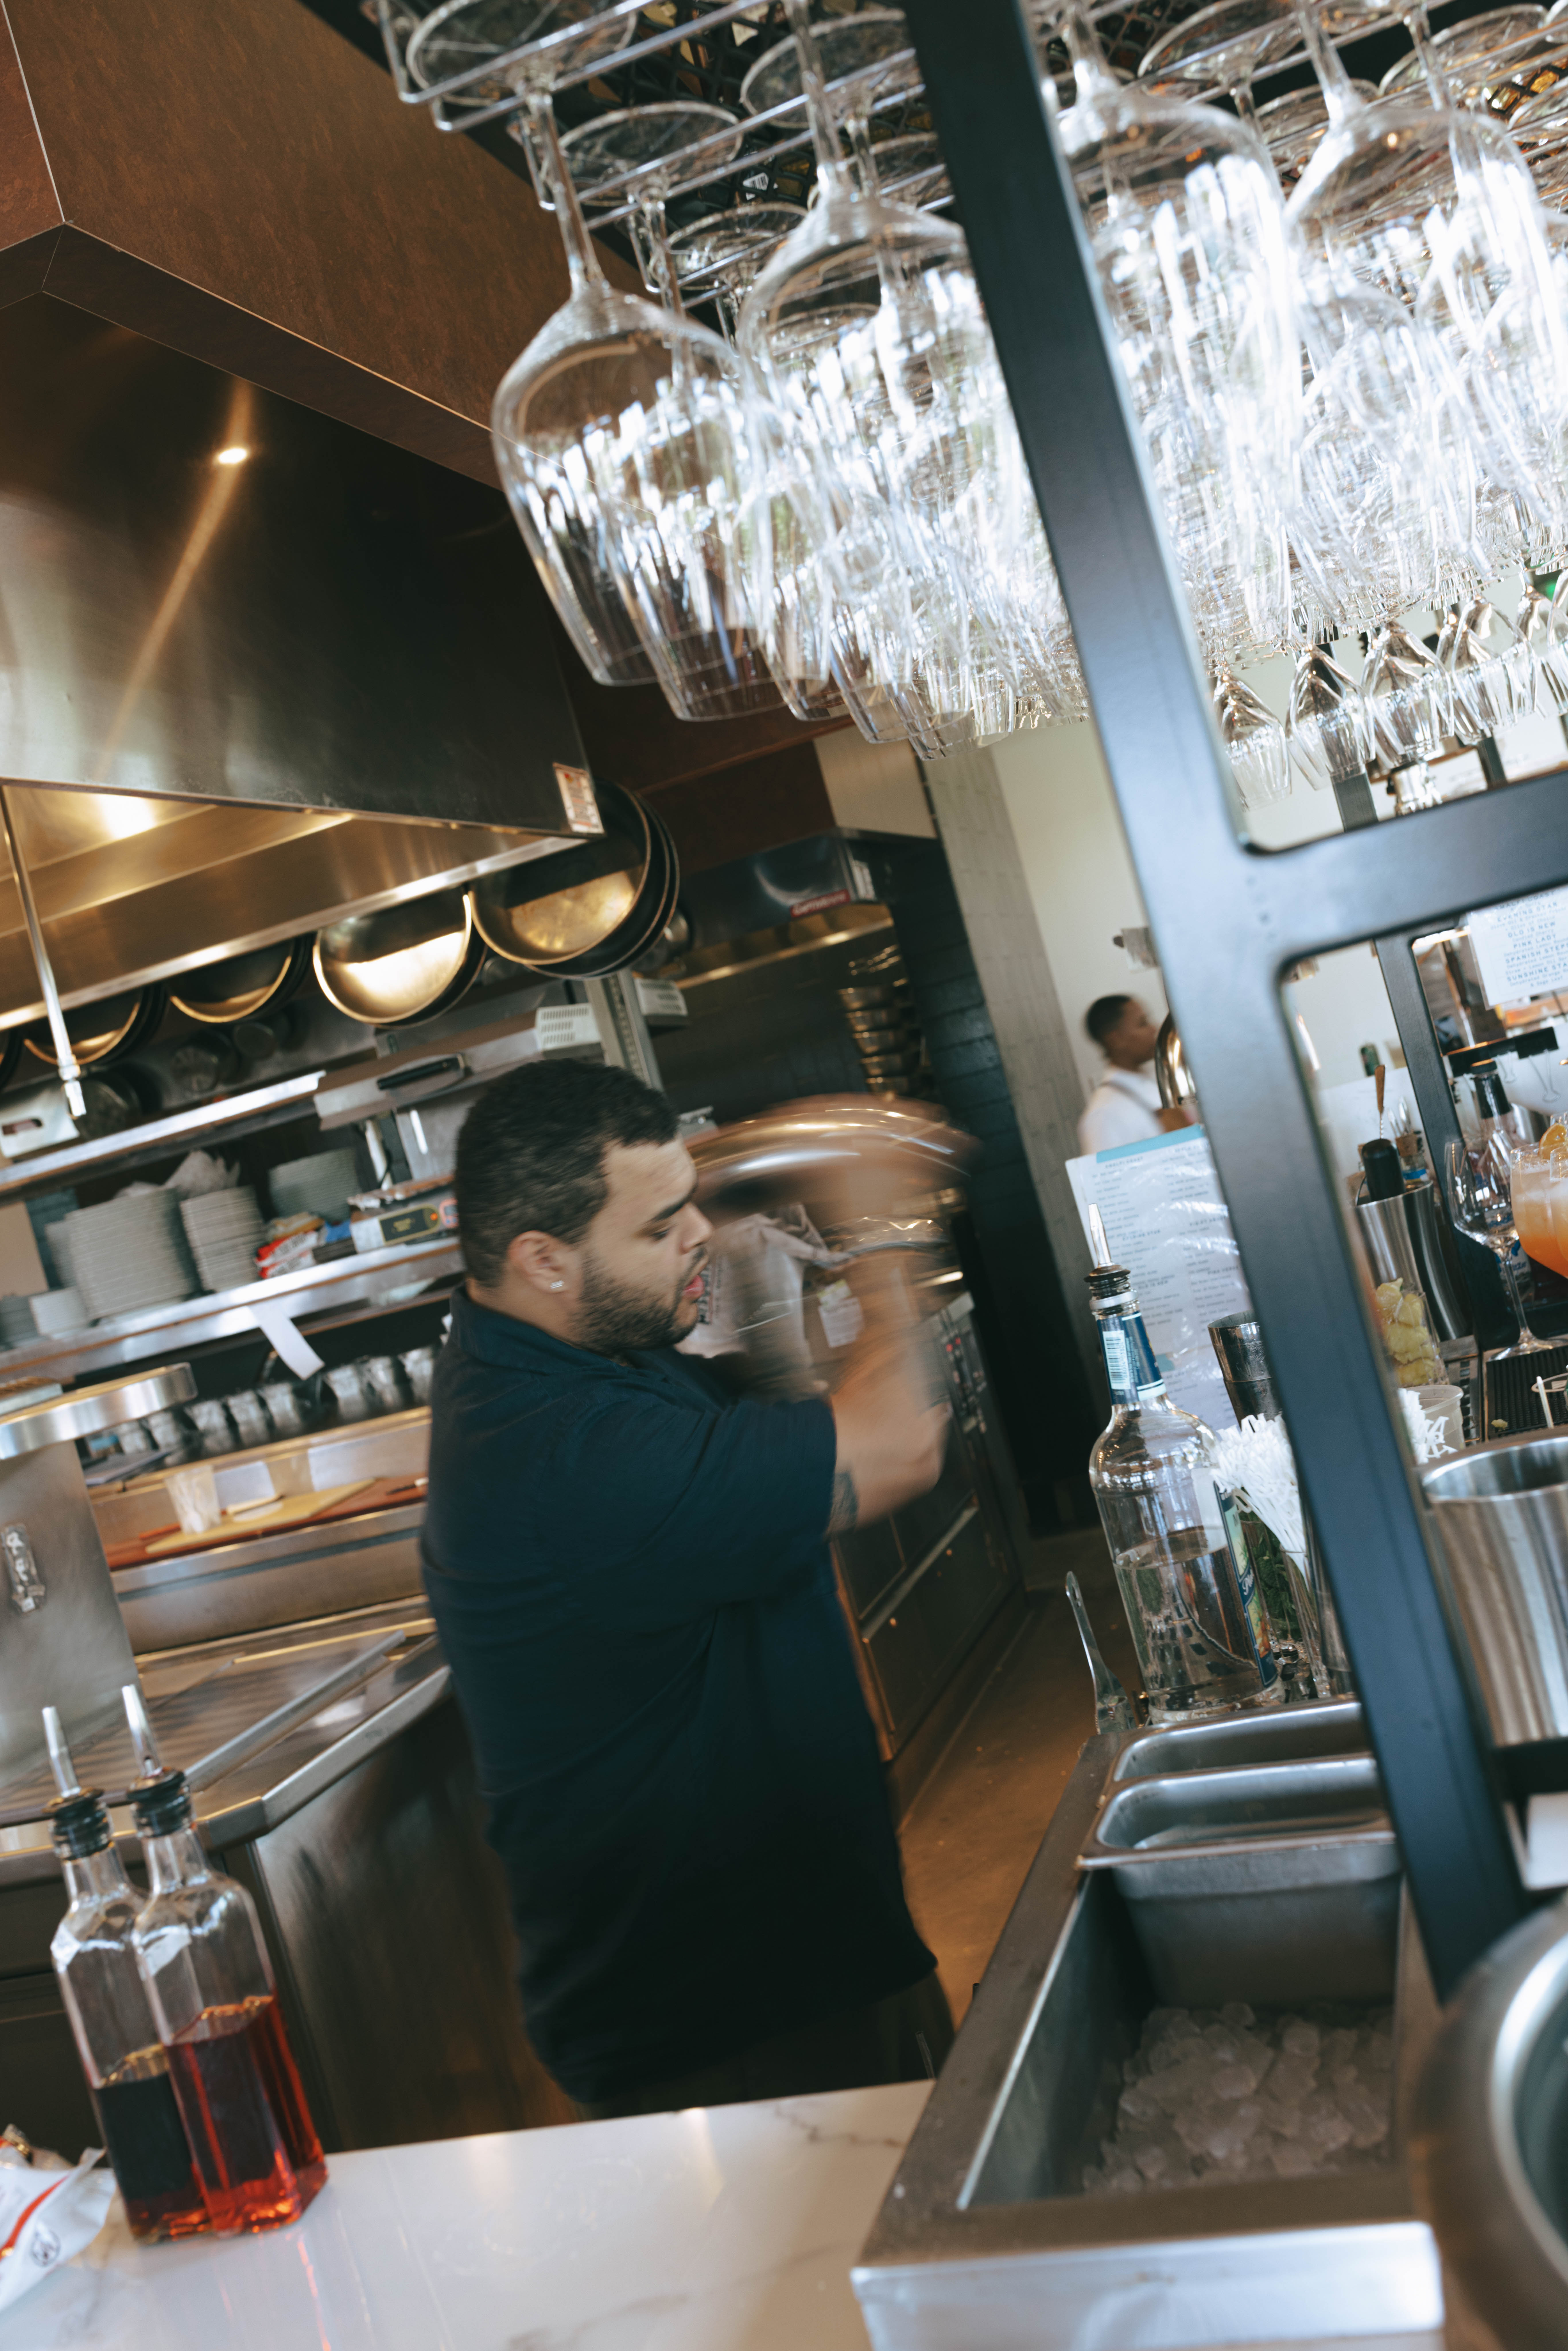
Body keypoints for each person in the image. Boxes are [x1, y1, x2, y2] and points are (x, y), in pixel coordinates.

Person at [421, 1060, 955, 2118]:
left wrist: (749, 1222)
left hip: (803, 1960)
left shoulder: (582, 1347)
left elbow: (770, 1428)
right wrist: (886, 1233)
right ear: (543, 1258)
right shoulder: (566, 1452)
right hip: (727, 2032)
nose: (697, 1233)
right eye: (662, 1226)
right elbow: (898, 1445)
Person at [1076, 993, 1186, 1154]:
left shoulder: (1151, 1082)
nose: (1154, 1029)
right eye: (1143, 1024)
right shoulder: (1104, 1115)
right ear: (1116, 1040)